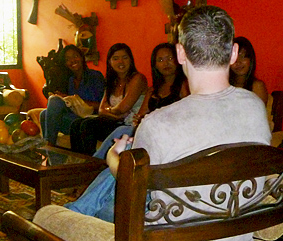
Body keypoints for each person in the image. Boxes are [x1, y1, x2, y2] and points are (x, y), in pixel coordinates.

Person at [105, 6, 269, 240]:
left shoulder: (156, 124)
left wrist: (114, 155)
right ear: (233, 53)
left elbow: (130, 184)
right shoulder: (256, 106)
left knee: (91, 206)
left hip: (171, 235)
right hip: (239, 235)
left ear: (180, 53)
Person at [65, 42, 189, 221]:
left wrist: (142, 121)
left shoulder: (184, 86)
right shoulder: (153, 89)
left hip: (161, 135)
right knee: (82, 124)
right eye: (160, 60)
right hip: (144, 130)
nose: (165, 63)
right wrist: (141, 120)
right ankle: (86, 173)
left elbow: (125, 110)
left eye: (169, 58)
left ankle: (87, 175)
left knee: (122, 131)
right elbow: (141, 114)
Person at [69, 43, 148, 155]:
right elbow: (102, 110)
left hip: (129, 125)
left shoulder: (138, 79)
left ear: (131, 60)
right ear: (110, 62)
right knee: (76, 124)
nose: (121, 62)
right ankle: (77, 162)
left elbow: (122, 108)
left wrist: (110, 110)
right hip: (116, 121)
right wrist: (115, 113)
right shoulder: (112, 82)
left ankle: (90, 164)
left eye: (125, 58)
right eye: (116, 58)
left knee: (88, 126)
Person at [40, 44, 105, 146]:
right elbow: (72, 106)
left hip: (90, 121)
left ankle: (48, 145)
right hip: (75, 119)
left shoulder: (95, 76)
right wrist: (65, 98)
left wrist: (74, 100)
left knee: (54, 101)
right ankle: (53, 155)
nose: (72, 61)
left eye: (75, 56)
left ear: (81, 57)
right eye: (67, 59)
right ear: (65, 64)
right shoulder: (70, 80)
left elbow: (102, 105)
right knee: (44, 114)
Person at [229, 36, 268, 105]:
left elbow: (258, 113)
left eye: (243, 56)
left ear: (250, 59)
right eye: (235, 58)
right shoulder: (225, 86)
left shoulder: (257, 86)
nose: (238, 62)